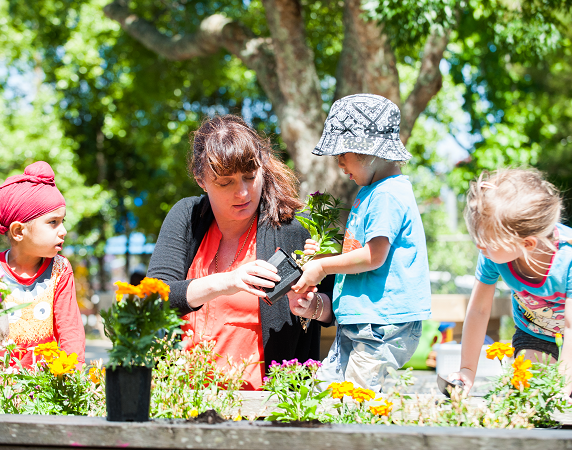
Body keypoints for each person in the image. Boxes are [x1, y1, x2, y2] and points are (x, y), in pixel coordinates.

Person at [147, 115, 333, 390]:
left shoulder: (292, 229)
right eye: (225, 182)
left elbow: (335, 307)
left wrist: (312, 306)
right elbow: (155, 296)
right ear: (201, 180)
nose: (243, 192)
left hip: (265, 406)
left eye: (250, 176)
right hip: (184, 398)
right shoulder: (187, 216)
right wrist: (229, 281)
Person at [293, 94, 432, 392]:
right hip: (362, 319)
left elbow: (374, 257)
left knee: (357, 402)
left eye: (343, 153)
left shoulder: (386, 194)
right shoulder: (372, 191)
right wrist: (323, 258)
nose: (340, 164)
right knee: (325, 394)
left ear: (369, 150)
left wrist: (323, 267)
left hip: (382, 324)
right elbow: (362, 255)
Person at [449, 168, 572, 397]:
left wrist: (561, 390)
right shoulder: (492, 253)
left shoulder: (571, 255)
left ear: (528, 244)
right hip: (535, 332)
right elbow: (479, 311)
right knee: (530, 399)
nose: (480, 247)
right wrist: (467, 370)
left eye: (486, 242)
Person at [0, 161, 85, 367]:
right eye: (53, 222)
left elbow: (70, 333)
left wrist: (72, 381)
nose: (63, 231)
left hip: (45, 391)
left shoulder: (60, 270)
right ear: (18, 231)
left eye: (62, 221)